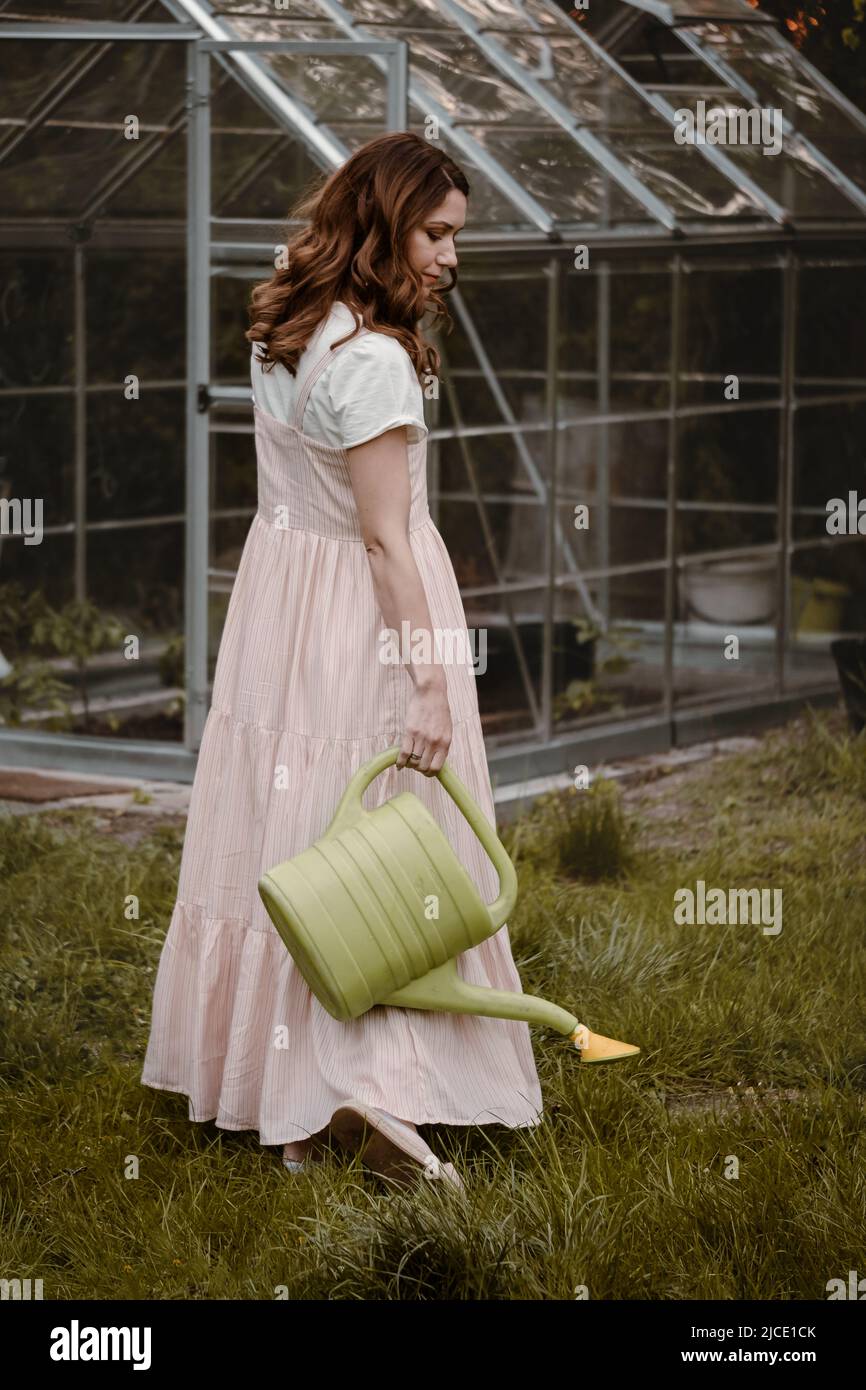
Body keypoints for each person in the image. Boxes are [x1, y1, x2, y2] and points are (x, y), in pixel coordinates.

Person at [141, 131, 543, 1190]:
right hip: (364, 613)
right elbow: (383, 537)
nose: (452, 256)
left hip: (282, 600)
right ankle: (353, 1080)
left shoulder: (293, 316)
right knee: (377, 836)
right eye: (436, 232)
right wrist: (425, 674)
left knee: (291, 825)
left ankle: (286, 1108)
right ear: (383, 226)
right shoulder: (371, 363)